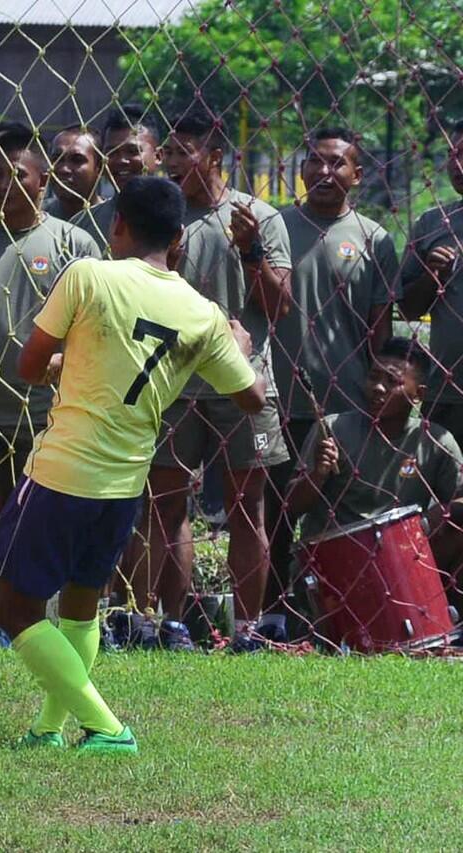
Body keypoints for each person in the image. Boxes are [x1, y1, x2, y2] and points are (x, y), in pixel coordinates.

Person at [0, 176, 266, 753]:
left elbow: (29, 366)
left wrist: (66, 359)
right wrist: (239, 345)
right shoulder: (202, 313)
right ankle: (47, 727)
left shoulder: (89, 276)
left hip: (63, 472)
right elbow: (252, 398)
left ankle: (106, 725)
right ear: (179, 239)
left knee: (13, 607)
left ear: (118, 225)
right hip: (125, 483)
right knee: (82, 604)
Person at [0, 123, 100, 646]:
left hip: (44, 413)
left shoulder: (73, 242)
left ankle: (28, 615)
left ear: (42, 179)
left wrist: (63, 361)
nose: (5, 185)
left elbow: (96, 322)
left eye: (19, 175)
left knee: (35, 522)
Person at [143, 107, 292, 652]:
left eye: (186, 151)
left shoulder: (259, 217)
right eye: (170, 153)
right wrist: (170, 262)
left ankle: (248, 629)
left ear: (215, 154)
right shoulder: (164, 216)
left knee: (245, 507)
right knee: (168, 503)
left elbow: (279, 308)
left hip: (243, 385)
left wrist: (252, 252)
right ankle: (170, 623)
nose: (175, 162)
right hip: (176, 384)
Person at [262, 127, 398, 639]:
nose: (324, 172)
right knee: (273, 515)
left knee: (336, 515)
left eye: (337, 164)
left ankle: (338, 621)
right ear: (301, 169)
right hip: (277, 401)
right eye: (315, 162)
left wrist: (371, 402)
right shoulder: (275, 226)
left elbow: (378, 332)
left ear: (357, 175)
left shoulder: (374, 239)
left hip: (341, 409)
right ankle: (275, 618)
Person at [287, 338, 463, 608]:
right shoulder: (333, 429)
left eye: (392, 381)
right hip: (337, 560)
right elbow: (291, 506)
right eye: (373, 377)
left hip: (404, 558)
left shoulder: (436, 441)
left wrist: (427, 522)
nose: (378, 388)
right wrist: (318, 474)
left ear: (418, 394)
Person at [399, 119, 463, 447]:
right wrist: (431, 275)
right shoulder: (434, 222)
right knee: (445, 493)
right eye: (453, 154)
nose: (458, 164)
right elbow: (408, 309)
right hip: (447, 394)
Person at [72, 105, 163, 252]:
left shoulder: (181, 221)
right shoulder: (83, 224)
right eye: (112, 152)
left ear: (158, 156)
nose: (121, 160)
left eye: (133, 151)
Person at [43, 125, 104, 222]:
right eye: (57, 159)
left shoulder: (115, 220)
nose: (64, 169)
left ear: (99, 167)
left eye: (77, 160)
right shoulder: (35, 217)